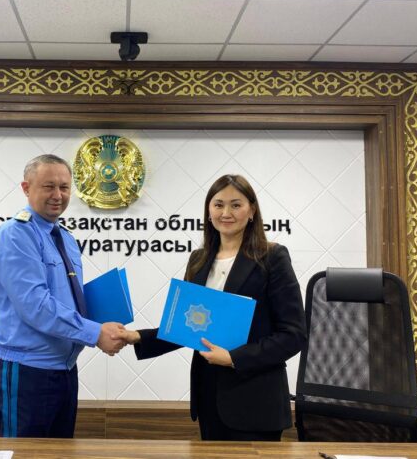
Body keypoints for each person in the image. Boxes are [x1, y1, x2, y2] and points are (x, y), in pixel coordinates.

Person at [123, 174, 307, 441]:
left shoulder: (273, 257)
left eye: (236, 205)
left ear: (252, 211)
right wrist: (137, 336)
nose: (226, 213)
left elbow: (293, 334)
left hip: (256, 403)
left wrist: (234, 358)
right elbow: (188, 328)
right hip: (209, 399)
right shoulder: (198, 260)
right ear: (208, 211)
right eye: (218, 205)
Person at [0, 154, 126, 438]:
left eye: (64, 187)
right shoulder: (15, 235)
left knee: (59, 453)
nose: (58, 195)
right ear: (26, 188)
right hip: (26, 373)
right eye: (48, 186)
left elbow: (67, 299)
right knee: (22, 455)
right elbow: (36, 306)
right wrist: (95, 332)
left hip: (65, 371)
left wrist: (104, 323)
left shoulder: (65, 237)